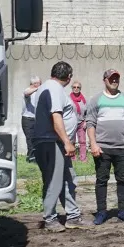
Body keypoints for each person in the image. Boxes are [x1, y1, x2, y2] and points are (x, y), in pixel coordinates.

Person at [84, 69, 124, 225]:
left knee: (122, 179)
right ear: (105, 80)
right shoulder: (96, 99)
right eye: (111, 79)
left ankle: (123, 211)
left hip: (123, 147)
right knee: (102, 180)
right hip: (102, 148)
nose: (114, 81)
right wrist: (93, 144)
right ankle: (101, 212)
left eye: (116, 79)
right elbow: (90, 123)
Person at [31, 61, 81, 231]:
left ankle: (73, 216)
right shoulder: (54, 88)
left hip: (53, 141)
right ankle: (50, 218)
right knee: (54, 179)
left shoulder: (47, 87)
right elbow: (56, 116)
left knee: (67, 178)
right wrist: (67, 142)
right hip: (52, 142)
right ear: (69, 77)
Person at [21, 76, 41, 162]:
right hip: (27, 119)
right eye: (37, 83)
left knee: (36, 139)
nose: (39, 85)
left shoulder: (39, 92)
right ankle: (31, 158)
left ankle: (32, 157)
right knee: (30, 139)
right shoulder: (28, 90)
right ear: (33, 84)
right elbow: (26, 93)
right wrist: (37, 88)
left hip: (36, 119)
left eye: (40, 83)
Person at [69, 80, 88, 163]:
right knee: (71, 141)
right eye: (74, 87)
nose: (76, 89)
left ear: (80, 89)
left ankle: (83, 158)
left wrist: (86, 121)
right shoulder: (68, 99)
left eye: (78, 87)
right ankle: (72, 158)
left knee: (82, 141)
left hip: (81, 123)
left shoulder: (84, 100)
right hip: (71, 123)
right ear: (72, 88)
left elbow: (88, 112)